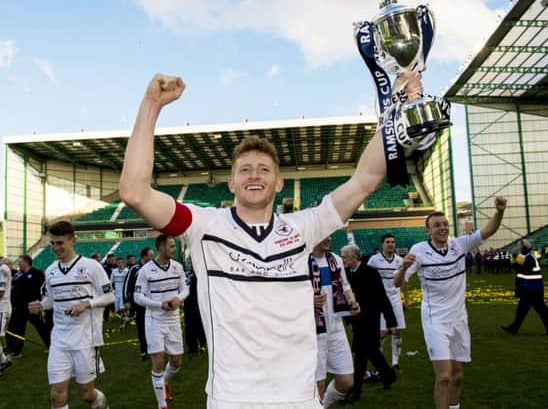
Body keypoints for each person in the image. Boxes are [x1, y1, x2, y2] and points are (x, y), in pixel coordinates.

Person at [119, 71, 422, 408]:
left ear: (279, 183)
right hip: (232, 399)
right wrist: (151, 105)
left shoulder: (302, 227)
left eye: (264, 169)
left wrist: (396, 108)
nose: (254, 175)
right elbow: (134, 192)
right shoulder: (203, 225)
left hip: (299, 398)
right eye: (244, 169)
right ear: (231, 184)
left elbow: (365, 180)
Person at [394, 197, 507, 409]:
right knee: (444, 377)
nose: (442, 228)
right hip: (435, 321)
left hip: (459, 319)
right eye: (436, 225)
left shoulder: (459, 245)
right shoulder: (419, 250)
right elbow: (396, 282)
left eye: (445, 224)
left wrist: (499, 212)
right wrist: (402, 268)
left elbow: (487, 231)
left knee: (457, 376)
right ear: (427, 231)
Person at [28, 220, 114, 409]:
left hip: (86, 339)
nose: (55, 248)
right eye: (52, 243)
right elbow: (52, 300)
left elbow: (109, 296)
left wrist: (86, 304)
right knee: (57, 396)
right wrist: (41, 305)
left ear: (72, 240)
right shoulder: (50, 271)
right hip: (59, 339)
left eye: (60, 243)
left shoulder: (91, 266)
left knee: (86, 394)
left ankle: (102, 404)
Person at [134, 235, 189, 409]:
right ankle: (162, 404)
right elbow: (137, 296)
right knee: (158, 361)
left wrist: (179, 298)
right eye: (171, 246)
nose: (174, 248)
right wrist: (159, 305)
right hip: (154, 320)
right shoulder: (145, 270)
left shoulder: (177, 267)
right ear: (161, 248)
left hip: (173, 320)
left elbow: (185, 288)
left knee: (176, 363)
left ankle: (162, 382)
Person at [341, 244, 397, 402]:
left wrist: (390, 321)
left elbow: (382, 297)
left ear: (353, 257)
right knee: (371, 352)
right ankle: (389, 376)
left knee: (361, 356)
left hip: (370, 320)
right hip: (356, 320)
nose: (343, 259)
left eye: (345, 257)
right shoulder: (345, 274)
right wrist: (348, 320)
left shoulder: (371, 273)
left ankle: (356, 392)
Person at [309, 235, 359, 408]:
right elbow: (285, 293)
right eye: (323, 234)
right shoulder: (301, 261)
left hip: (336, 327)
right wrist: (307, 300)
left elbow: (345, 286)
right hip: (313, 331)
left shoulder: (335, 260)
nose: (328, 238)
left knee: (346, 381)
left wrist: (352, 302)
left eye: (330, 233)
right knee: (318, 384)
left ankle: (323, 405)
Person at [367, 233, 409, 371]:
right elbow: (366, 278)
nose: (391, 244)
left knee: (397, 331)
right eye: (387, 242)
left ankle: (395, 363)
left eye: (392, 242)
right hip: (379, 300)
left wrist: (406, 299)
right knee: (382, 333)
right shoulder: (374, 260)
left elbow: (402, 281)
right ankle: (381, 364)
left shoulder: (400, 261)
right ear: (382, 244)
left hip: (396, 299)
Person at [5, 254, 51, 357]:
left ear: (26, 262)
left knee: (41, 327)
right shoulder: (19, 274)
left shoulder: (37, 273)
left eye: (20, 261)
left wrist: (41, 303)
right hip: (19, 308)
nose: (19, 264)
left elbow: (44, 289)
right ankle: (16, 351)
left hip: (32, 307)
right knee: (17, 329)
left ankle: (51, 346)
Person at [501, 238, 548, 335]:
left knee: (540, 310)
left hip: (533, 288)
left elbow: (523, 269)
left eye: (519, 245)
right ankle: (513, 329)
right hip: (527, 288)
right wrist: (513, 264)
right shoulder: (522, 256)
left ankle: (513, 329)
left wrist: (514, 264)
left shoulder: (529, 257)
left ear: (523, 246)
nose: (518, 247)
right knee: (522, 310)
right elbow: (516, 267)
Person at [123, 246, 154, 360]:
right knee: (141, 327)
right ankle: (144, 351)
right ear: (144, 256)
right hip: (139, 303)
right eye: (150, 255)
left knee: (153, 326)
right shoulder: (135, 268)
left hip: (151, 302)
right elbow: (127, 284)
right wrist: (126, 300)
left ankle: (153, 349)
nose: (152, 257)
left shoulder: (153, 267)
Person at [0, 257, 13, 373]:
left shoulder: (2, 269)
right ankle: (3, 361)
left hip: (2, 309)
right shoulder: (3, 268)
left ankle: (3, 361)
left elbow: (1, 292)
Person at [111, 257, 129, 330]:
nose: (120, 264)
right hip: (117, 292)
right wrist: (112, 290)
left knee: (122, 308)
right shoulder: (114, 271)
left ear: (123, 263)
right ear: (117, 263)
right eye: (119, 262)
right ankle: (125, 318)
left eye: (121, 262)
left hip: (124, 292)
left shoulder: (127, 271)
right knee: (118, 309)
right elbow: (111, 281)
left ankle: (122, 324)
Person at [102, 254, 116, 322]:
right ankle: (106, 317)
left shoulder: (115, 266)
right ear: (108, 259)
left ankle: (115, 314)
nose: (114, 261)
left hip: (114, 285)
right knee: (107, 301)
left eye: (114, 259)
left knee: (114, 300)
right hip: (106, 285)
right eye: (112, 260)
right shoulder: (103, 266)